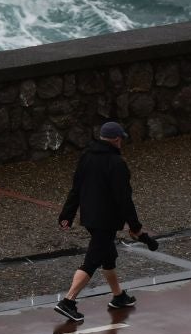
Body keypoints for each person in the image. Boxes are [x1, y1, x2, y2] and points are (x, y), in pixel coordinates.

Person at [54, 121, 144, 323]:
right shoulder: (117, 163)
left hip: (90, 218)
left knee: (108, 255)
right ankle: (68, 301)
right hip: (107, 220)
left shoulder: (86, 157)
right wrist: (135, 226)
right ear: (117, 139)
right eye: (121, 139)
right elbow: (124, 198)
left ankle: (118, 296)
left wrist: (67, 215)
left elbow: (75, 188)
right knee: (92, 260)